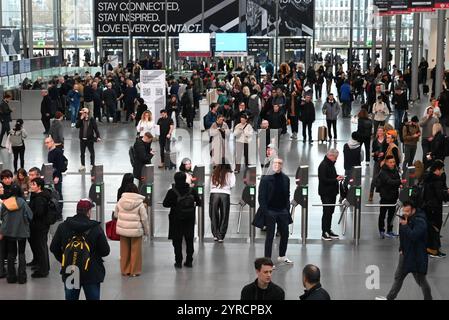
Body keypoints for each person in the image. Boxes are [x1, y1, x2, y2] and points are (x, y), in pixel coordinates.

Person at [50, 199, 110, 300]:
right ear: (89, 211)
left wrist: (65, 259)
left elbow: (53, 248)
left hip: (71, 270)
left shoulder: (63, 226)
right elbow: (105, 251)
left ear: (77, 210)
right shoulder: (95, 228)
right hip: (92, 271)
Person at [376, 201, 432, 300]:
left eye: (407, 211)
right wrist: (401, 248)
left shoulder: (420, 221)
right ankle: (389, 298)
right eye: (404, 211)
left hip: (416, 256)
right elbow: (403, 236)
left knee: (421, 280)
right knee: (398, 277)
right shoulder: (406, 218)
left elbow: (414, 236)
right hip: (405, 254)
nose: (404, 213)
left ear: (413, 210)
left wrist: (405, 226)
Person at [258, 158, 293, 264]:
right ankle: (267, 259)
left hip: (282, 210)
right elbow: (261, 197)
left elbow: (287, 195)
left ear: (282, 165)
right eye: (276, 163)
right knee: (270, 235)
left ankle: (282, 255)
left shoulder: (286, 179)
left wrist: (287, 209)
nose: (277, 165)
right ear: (272, 165)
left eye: (280, 163)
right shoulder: (265, 179)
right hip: (270, 211)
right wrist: (266, 211)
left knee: (285, 233)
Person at [163, 172, 200, 268]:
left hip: (176, 219)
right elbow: (199, 202)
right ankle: (189, 261)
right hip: (189, 218)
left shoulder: (172, 191)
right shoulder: (192, 190)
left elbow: (165, 204)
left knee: (177, 240)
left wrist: (175, 203)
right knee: (189, 239)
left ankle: (178, 261)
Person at [113, 183, 149, 277]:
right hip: (136, 230)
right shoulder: (140, 203)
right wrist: (146, 231)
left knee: (124, 251)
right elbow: (144, 218)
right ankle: (134, 271)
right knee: (136, 251)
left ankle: (125, 270)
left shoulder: (120, 201)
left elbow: (116, 215)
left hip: (123, 230)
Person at [0, 184, 33, 284]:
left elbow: (1, 216)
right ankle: (22, 277)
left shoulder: (6, 203)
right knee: (21, 253)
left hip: (9, 232)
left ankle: (11, 277)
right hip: (22, 232)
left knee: (11, 254)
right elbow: (30, 216)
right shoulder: (23, 202)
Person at [423, 160, 448, 258]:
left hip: (428, 208)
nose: (442, 171)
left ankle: (431, 248)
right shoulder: (437, 181)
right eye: (441, 169)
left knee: (431, 229)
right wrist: (447, 193)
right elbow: (440, 196)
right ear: (437, 170)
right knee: (435, 229)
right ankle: (433, 250)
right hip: (435, 208)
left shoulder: (427, 178)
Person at [318, 149, 344, 241]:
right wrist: (335, 180)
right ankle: (324, 232)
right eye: (335, 157)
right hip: (325, 193)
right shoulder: (323, 165)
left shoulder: (330, 164)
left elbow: (331, 175)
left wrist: (337, 176)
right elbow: (323, 179)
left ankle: (328, 230)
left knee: (330, 212)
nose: (336, 159)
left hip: (332, 192)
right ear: (330, 156)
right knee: (326, 212)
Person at [28, 177, 51, 278]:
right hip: (41, 226)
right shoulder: (39, 196)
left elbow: (38, 213)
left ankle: (43, 270)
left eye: (33, 185)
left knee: (41, 247)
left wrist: (30, 214)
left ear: (39, 187)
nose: (31, 186)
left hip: (39, 226)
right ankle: (43, 266)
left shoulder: (40, 199)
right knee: (41, 247)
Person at [378, 155, 404, 239]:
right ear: (386, 163)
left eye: (393, 162)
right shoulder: (382, 172)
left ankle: (390, 230)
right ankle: (381, 230)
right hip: (385, 197)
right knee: (382, 215)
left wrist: (399, 184)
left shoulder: (395, 170)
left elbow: (395, 181)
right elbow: (389, 182)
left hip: (393, 196)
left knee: (391, 215)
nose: (393, 164)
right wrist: (400, 182)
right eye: (390, 162)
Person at [209, 164, 235, 242]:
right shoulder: (230, 173)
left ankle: (215, 234)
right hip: (225, 194)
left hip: (214, 194)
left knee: (213, 214)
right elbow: (232, 184)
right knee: (224, 215)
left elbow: (211, 184)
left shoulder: (214, 172)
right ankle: (221, 236)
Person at [76, 107, 101, 172]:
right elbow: (77, 126)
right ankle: (83, 165)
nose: (84, 113)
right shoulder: (81, 119)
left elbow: (96, 128)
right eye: (83, 112)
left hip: (89, 139)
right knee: (82, 153)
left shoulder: (92, 119)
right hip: (82, 139)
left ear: (87, 113)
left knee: (92, 152)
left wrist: (98, 136)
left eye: (85, 112)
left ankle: (92, 164)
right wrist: (80, 119)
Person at [369, 127, 388, 202]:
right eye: (378, 131)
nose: (379, 132)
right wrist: (376, 153)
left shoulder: (386, 140)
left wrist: (384, 153)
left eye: (381, 131)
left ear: (383, 132)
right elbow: (373, 152)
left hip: (384, 161)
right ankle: (371, 194)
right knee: (374, 178)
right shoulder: (374, 141)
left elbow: (388, 150)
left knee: (385, 179)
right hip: (377, 161)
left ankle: (384, 195)